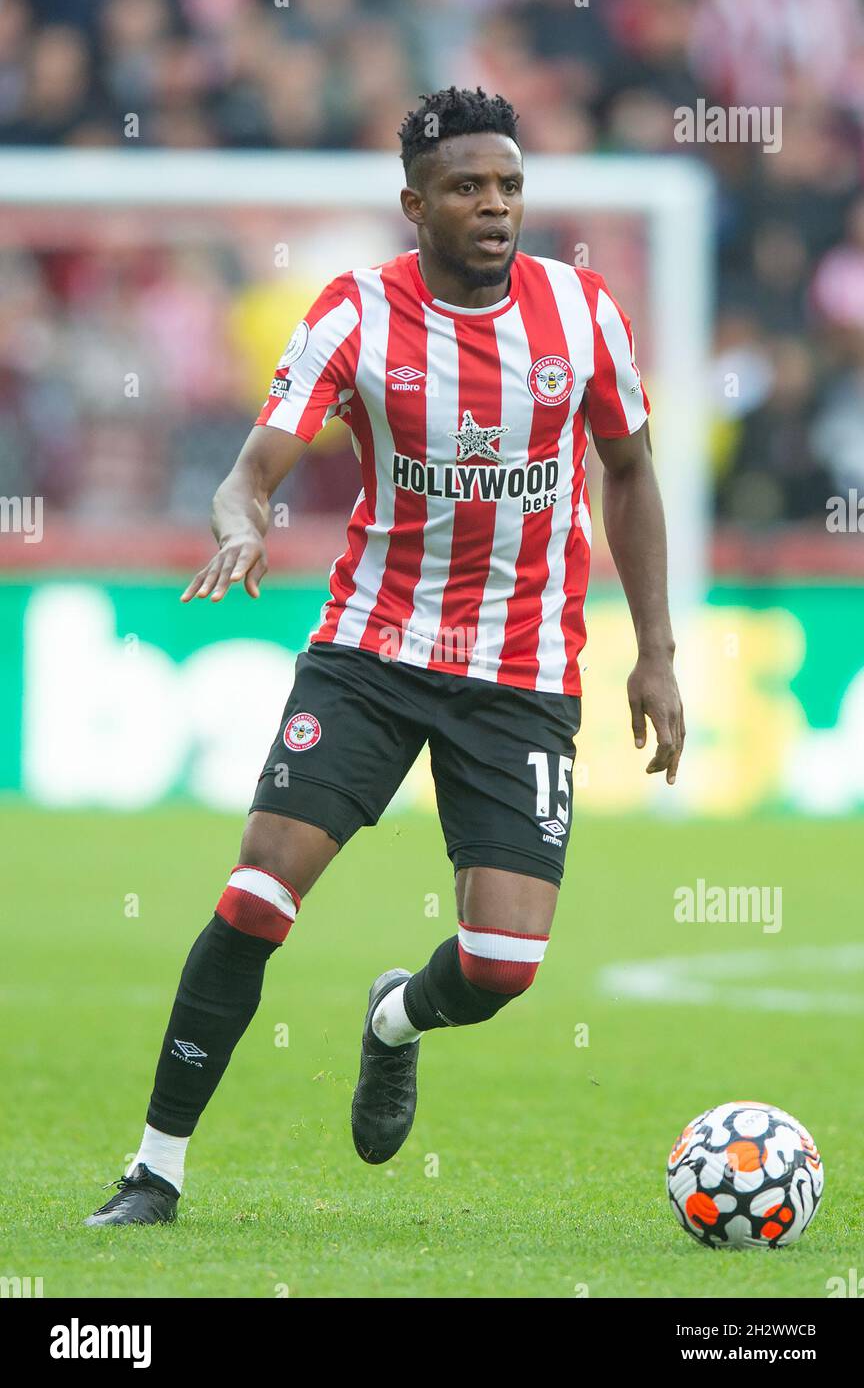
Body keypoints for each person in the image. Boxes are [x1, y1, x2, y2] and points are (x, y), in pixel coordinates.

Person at [86, 86, 684, 1227]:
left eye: (508, 184)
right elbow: (249, 468)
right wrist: (241, 518)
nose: (493, 206)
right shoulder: (354, 314)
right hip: (371, 647)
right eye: (466, 187)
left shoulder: (582, 313)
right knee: (259, 888)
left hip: (520, 670)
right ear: (414, 204)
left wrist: (654, 652)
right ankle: (154, 1168)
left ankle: (393, 1018)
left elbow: (632, 470)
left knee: (504, 965)